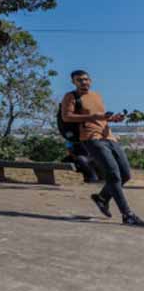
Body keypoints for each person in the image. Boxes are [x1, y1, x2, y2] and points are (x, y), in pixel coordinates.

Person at [61, 70, 143, 226]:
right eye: (79, 80)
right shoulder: (70, 96)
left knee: (125, 174)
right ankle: (128, 215)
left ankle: (102, 198)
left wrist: (113, 118)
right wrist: (94, 117)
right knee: (113, 175)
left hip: (109, 137)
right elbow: (67, 116)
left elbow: (100, 116)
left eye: (85, 79)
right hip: (91, 139)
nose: (83, 82)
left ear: (90, 80)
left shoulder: (96, 95)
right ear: (74, 82)